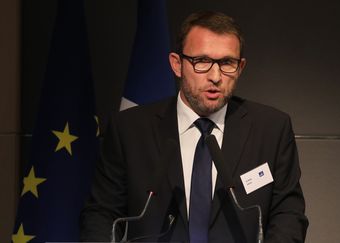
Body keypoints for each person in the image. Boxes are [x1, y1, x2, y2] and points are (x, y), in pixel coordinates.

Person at [80, 10, 308, 243]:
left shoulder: (271, 129)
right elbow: (102, 213)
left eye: (227, 63)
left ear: (240, 68)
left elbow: (288, 213)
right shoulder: (129, 130)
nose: (216, 76)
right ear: (177, 65)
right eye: (202, 62)